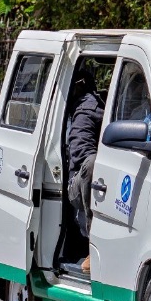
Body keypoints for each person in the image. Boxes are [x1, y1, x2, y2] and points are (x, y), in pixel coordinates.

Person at [63, 64, 104, 271]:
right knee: (92, 164)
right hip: (78, 184)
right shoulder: (85, 109)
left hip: (105, 180)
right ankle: (93, 246)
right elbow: (81, 154)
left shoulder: (91, 107)